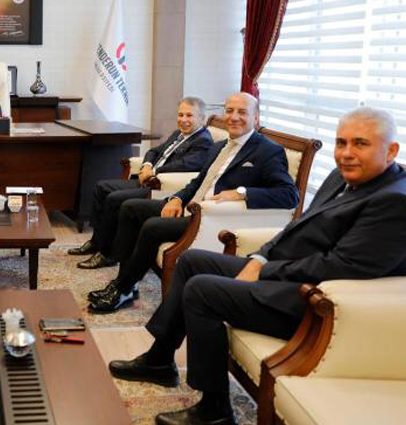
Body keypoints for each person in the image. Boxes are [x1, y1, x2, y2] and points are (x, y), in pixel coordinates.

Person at [108, 107, 406, 425]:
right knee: (193, 261)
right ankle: (159, 360)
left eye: (360, 144)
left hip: (313, 302)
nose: (346, 153)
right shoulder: (341, 177)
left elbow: (339, 267)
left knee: (202, 290)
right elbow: (296, 227)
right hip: (287, 275)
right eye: (341, 142)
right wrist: (260, 258)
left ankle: (214, 411)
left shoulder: (393, 201)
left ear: (390, 150)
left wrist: (263, 270)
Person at [88, 92, 299, 313]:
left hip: (211, 218)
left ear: (256, 117)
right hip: (191, 206)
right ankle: (125, 285)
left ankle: (121, 288)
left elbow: (289, 195)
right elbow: (198, 182)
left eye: (242, 112)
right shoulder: (219, 147)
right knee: (130, 208)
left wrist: (241, 193)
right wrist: (177, 198)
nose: (234, 117)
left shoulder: (268, 151)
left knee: (152, 226)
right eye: (229, 111)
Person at [70, 97, 214, 269]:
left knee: (114, 198)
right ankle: (97, 241)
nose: (183, 120)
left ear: (202, 118)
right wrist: (146, 165)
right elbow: (154, 151)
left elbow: (186, 165)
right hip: (147, 179)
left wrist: (154, 172)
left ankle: (108, 254)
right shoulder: (178, 134)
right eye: (180, 114)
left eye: (189, 115)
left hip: (161, 187)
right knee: (102, 187)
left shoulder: (203, 140)